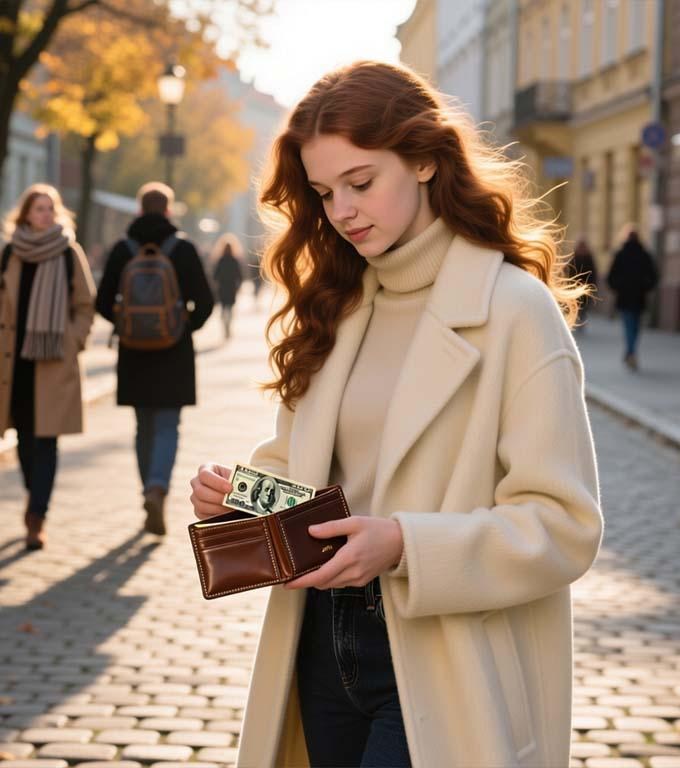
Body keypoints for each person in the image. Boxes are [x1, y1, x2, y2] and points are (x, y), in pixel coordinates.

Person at [189, 62, 603, 768]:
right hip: (318, 640)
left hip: (445, 657)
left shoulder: (513, 311)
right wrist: (244, 495)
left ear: (421, 162)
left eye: (360, 182)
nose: (342, 210)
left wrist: (405, 543)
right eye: (324, 193)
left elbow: (564, 526)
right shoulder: (338, 304)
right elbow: (316, 483)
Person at [96, 182, 213, 536]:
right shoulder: (183, 248)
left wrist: (128, 325)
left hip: (133, 353)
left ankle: (147, 486)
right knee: (167, 425)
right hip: (173, 353)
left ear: (138, 210)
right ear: (168, 211)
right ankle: (158, 487)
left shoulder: (123, 249)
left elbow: (102, 302)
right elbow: (205, 302)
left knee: (142, 425)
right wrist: (180, 328)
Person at [0, 183, 95, 550]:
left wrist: (73, 341)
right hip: (15, 363)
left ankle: (36, 516)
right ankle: (33, 498)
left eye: (50, 208)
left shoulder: (69, 252)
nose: (46, 215)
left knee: (47, 442)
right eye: (39, 209)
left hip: (53, 361)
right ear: (25, 214)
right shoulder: (11, 253)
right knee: (25, 440)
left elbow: (85, 304)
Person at [607, 225, 658, 371]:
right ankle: (631, 352)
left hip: (624, 297)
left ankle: (630, 352)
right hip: (639, 297)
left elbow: (611, 277)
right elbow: (654, 276)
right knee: (635, 327)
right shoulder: (644, 254)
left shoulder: (620, 254)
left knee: (629, 326)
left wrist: (617, 287)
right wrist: (646, 287)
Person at [211, 232, 244, 339]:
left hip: (222, 287)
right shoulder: (234, 260)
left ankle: (225, 326)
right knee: (230, 308)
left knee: (223, 307)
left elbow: (215, 276)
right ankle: (228, 326)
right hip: (231, 288)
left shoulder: (220, 260)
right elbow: (240, 276)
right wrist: (238, 286)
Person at [568, 237, 598, 329]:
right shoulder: (574, 257)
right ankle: (577, 320)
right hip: (575, 286)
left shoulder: (589, 257)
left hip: (586, 286)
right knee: (576, 304)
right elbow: (570, 271)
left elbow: (593, 272)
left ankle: (581, 320)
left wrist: (592, 285)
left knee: (584, 305)